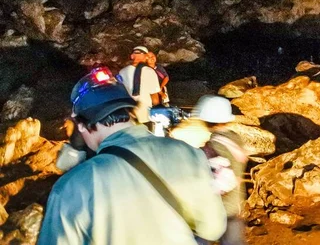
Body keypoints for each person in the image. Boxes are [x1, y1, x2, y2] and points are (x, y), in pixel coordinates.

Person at [38, 71, 227, 245]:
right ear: (130, 111)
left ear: (80, 125)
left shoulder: (71, 187)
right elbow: (213, 228)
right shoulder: (188, 153)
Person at [191, 95, 248, 245]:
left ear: (206, 121)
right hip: (235, 205)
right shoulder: (236, 139)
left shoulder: (213, 146)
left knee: (199, 240)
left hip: (215, 208)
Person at [118, 46, 161, 124]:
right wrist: (158, 111)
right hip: (145, 115)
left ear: (132, 56)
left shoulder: (122, 72)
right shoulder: (149, 71)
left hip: (128, 115)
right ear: (145, 57)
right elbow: (154, 97)